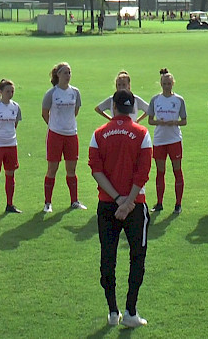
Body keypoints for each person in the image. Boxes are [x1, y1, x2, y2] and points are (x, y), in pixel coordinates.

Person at [88, 89, 153, 328]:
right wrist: (128, 203)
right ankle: (131, 311)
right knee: (137, 257)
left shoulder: (99, 134)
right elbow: (143, 172)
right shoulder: (142, 133)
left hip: (108, 205)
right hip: (136, 206)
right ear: (133, 108)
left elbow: (96, 170)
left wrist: (117, 199)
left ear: (114, 108)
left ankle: (113, 311)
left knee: (108, 257)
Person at [41, 62, 86, 212]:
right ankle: (48, 203)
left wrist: (67, 124)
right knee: (52, 169)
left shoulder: (75, 92)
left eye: (69, 72)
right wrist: (54, 125)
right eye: (65, 72)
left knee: (71, 169)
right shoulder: (52, 93)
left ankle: (74, 201)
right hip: (55, 135)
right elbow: (44, 113)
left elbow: (76, 110)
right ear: (58, 74)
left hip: (71, 134)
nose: (68, 76)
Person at [147, 68, 187, 213]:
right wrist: (160, 122)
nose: (167, 86)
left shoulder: (179, 100)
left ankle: (178, 204)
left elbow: (184, 121)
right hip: (159, 140)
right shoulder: (155, 100)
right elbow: (150, 120)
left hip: (174, 139)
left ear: (173, 84)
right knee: (160, 171)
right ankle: (159, 203)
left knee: (177, 170)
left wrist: (174, 123)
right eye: (164, 84)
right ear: (161, 84)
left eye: (169, 83)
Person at [0, 79, 22, 213]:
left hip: (11, 144)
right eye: (7, 91)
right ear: (0, 92)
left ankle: (10, 204)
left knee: (10, 174)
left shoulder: (15, 107)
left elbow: (15, 125)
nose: (10, 93)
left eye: (12, 91)